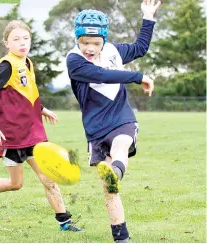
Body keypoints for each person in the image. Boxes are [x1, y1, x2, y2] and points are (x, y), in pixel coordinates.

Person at [0, 20, 82, 233]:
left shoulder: (27, 62)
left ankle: (65, 223)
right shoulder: (7, 65)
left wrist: (41, 108)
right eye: (16, 39)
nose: (22, 43)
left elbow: (24, 94)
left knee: (48, 180)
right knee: (15, 184)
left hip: (33, 132)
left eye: (26, 38)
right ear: (6, 43)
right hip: (12, 135)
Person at [66, 0, 161, 242]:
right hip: (96, 129)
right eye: (84, 42)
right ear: (77, 39)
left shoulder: (113, 51)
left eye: (96, 43)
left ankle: (116, 171)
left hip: (122, 119)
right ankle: (122, 237)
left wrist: (148, 16)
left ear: (104, 40)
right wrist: (138, 76)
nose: (90, 47)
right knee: (110, 191)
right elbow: (101, 75)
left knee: (121, 145)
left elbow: (140, 47)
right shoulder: (74, 60)